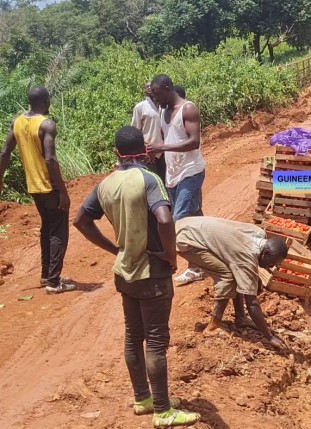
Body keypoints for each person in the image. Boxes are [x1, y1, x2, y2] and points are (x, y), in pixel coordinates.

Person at [73, 126, 200, 428]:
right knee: (156, 341)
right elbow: (166, 218)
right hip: (151, 273)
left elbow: (80, 220)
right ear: (144, 150)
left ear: (116, 153)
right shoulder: (149, 179)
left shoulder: (105, 184)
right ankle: (163, 410)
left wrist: (113, 248)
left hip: (125, 272)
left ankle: (142, 398)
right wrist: (171, 255)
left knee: (133, 336)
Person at [0, 87, 75, 294]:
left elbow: (5, 152)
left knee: (47, 229)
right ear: (46, 101)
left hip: (33, 187)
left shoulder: (17, 122)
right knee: (58, 232)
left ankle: (46, 276)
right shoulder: (46, 124)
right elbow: (50, 159)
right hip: (49, 187)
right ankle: (54, 282)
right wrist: (63, 191)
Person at [175, 216, 289, 350]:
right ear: (266, 253)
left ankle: (240, 318)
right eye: (271, 263)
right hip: (187, 239)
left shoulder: (258, 233)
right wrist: (269, 337)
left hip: (190, 223)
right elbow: (252, 303)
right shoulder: (246, 256)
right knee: (227, 276)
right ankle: (213, 326)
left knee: (235, 272)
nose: (270, 267)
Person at [147, 74, 207, 286]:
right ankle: (209, 257)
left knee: (179, 220)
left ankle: (194, 267)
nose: (155, 98)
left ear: (166, 88)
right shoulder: (163, 110)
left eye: (156, 94)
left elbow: (194, 142)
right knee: (196, 216)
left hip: (190, 172)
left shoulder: (188, 109)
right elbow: (169, 136)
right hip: (172, 174)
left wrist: (161, 148)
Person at [131, 82, 166, 183]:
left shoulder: (164, 106)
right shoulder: (140, 107)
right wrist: (145, 148)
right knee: (151, 181)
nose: (150, 88)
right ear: (144, 91)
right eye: (147, 87)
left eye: (151, 86)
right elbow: (135, 131)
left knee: (165, 180)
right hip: (148, 152)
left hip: (164, 150)